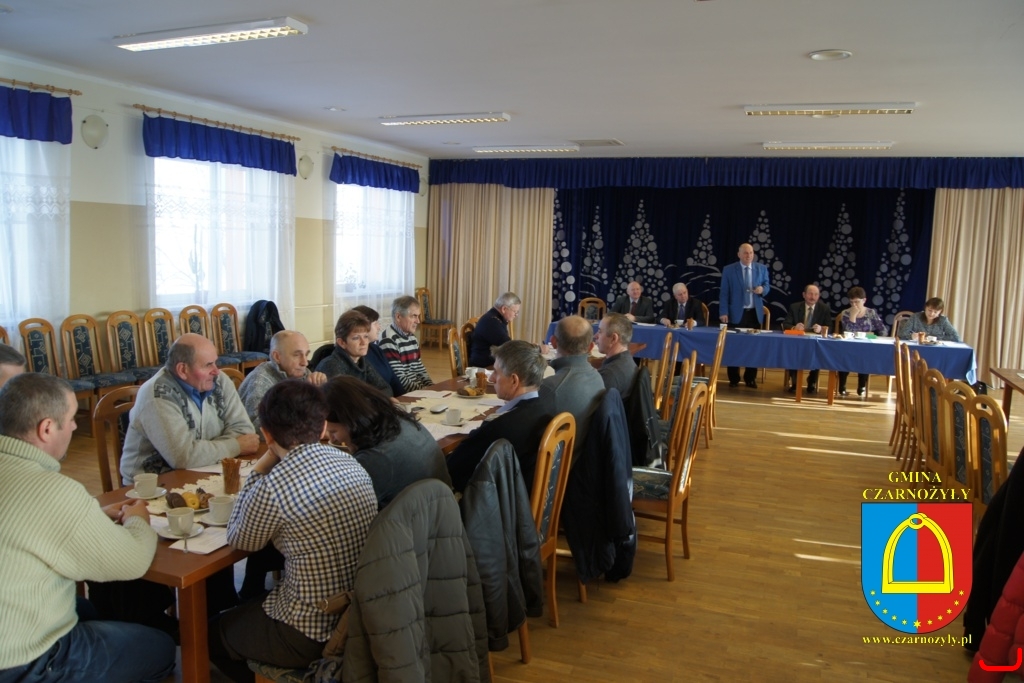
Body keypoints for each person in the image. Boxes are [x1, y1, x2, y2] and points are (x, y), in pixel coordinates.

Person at [0, 373, 176, 683]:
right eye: (70, 419)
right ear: (46, 428)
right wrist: (138, 519)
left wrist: (91, 514)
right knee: (161, 647)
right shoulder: (50, 489)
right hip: (24, 661)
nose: (73, 427)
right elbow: (133, 560)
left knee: (90, 610)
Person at [209, 380, 378, 683]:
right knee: (250, 606)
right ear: (323, 426)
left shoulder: (274, 485)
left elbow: (239, 539)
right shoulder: (350, 461)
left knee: (209, 634)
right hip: (356, 615)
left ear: (267, 434)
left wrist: (260, 468)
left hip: (308, 631)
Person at [120, 333, 259, 484]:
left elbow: (244, 430)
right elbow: (183, 457)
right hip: (152, 485)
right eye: (208, 365)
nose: (216, 371)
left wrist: (201, 452)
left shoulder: (219, 381)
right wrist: (236, 446)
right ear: (182, 370)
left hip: (206, 471)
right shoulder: (157, 395)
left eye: (215, 362)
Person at [323, 376, 451, 508]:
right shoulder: (400, 420)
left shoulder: (374, 459)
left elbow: (349, 510)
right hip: (444, 510)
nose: (332, 439)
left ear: (352, 422)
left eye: (333, 431)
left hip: (423, 517)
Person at [446, 340, 555, 493]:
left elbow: (453, 468)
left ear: (514, 380)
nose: (491, 379)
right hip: (525, 495)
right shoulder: (547, 409)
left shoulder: (500, 428)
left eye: (496, 372)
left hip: (495, 502)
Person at [540, 315, 605, 463]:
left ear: (553, 342)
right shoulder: (598, 377)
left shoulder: (550, 388)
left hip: (555, 469)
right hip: (582, 462)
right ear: (590, 347)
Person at [238, 330, 327, 434]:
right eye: (297, 355)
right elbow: (260, 427)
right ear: (277, 357)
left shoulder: (303, 373)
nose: (305, 362)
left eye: (306, 355)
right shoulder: (259, 380)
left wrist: (321, 390)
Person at [720, 242, 770, 388]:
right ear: (739, 254)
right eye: (746, 253)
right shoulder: (729, 270)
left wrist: (762, 289)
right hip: (736, 313)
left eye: (751, 253)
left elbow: (767, 286)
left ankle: (750, 378)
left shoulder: (761, 268)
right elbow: (724, 293)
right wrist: (723, 312)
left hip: (754, 313)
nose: (749, 255)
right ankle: (733, 378)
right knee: (734, 346)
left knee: (753, 347)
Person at [316, 311, 394, 396]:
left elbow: (386, 388)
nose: (364, 342)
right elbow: (347, 401)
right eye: (356, 338)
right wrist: (376, 398)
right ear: (342, 342)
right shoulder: (331, 365)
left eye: (366, 336)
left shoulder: (361, 361)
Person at [836, 286, 888, 396]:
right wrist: (853, 316)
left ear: (864, 300)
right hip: (849, 347)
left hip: (866, 347)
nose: (854, 305)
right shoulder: (846, 313)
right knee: (844, 355)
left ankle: (861, 386)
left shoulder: (871, 313)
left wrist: (871, 337)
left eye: (857, 302)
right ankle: (842, 385)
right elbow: (848, 333)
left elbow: (883, 331)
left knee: (865, 356)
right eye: (851, 302)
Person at [782, 284, 832, 393]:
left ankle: (812, 382)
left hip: (815, 343)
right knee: (793, 352)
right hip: (797, 341)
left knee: (818, 353)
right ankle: (795, 383)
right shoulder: (795, 307)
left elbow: (830, 327)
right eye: (810, 294)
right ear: (804, 295)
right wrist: (794, 328)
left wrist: (821, 329)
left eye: (816, 294)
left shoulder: (824, 308)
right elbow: (786, 324)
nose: (813, 297)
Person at [378, 295, 433, 392]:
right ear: (398, 317)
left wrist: (432, 387)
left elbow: (419, 368)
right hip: (404, 393)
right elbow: (399, 379)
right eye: (414, 316)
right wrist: (424, 391)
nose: (418, 321)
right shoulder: (388, 340)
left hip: (418, 389)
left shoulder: (411, 336)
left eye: (418, 316)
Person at [351, 305, 405, 396]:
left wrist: (405, 398)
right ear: (365, 326)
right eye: (375, 323)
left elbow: (393, 379)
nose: (379, 327)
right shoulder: (356, 357)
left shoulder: (376, 349)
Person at [468, 292, 521, 367]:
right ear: (504, 309)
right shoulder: (491, 322)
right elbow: (508, 346)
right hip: (483, 368)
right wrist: (532, 348)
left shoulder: (494, 317)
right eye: (515, 311)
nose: (516, 315)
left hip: (493, 364)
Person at [596, 313, 637, 400]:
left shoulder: (609, 375)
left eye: (600, 331)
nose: (595, 336)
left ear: (613, 338)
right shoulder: (627, 360)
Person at [897, 297, 962, 342]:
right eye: (929, 310)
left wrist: (933, 338)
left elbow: (956, 337)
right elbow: (901, 334)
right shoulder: (915, 317)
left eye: (935, 312)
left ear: (940, 312)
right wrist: (911, 336)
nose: (931, 314)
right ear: (925, 308)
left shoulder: (943, 320)